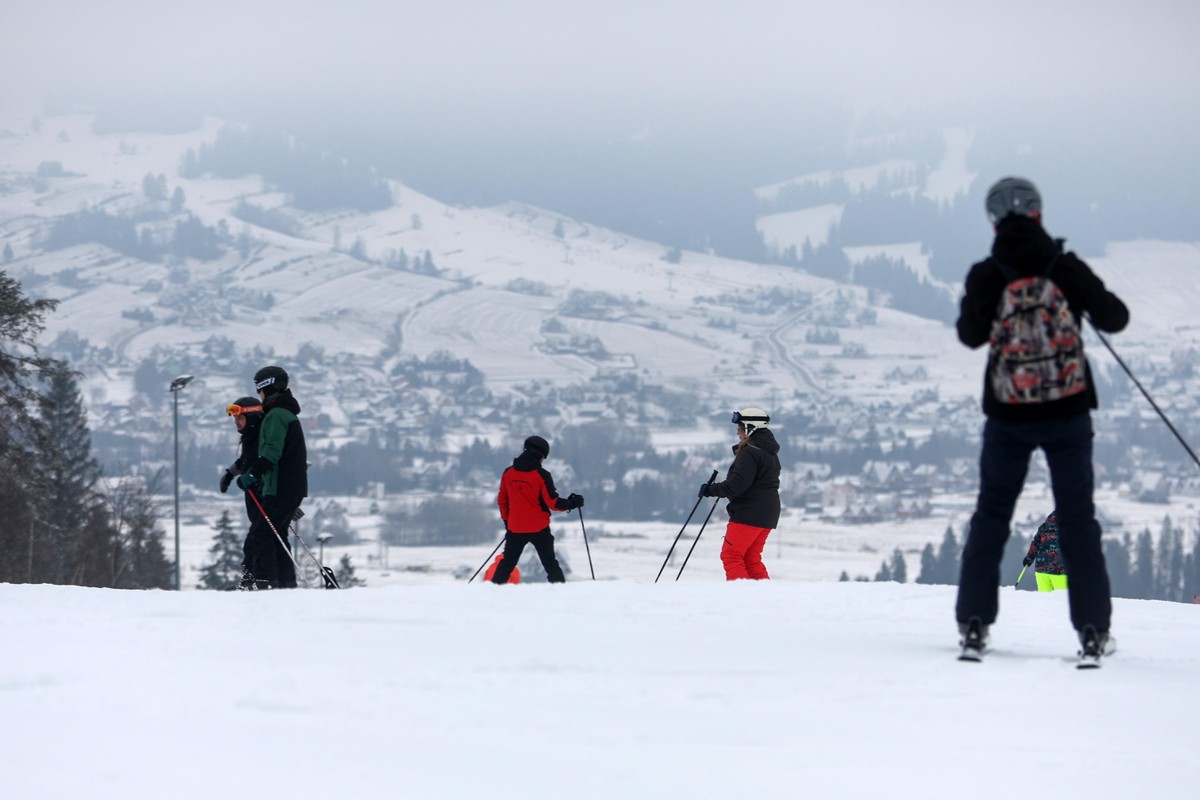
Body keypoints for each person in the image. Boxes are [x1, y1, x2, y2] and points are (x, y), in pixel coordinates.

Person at [955, 176, 1129, 663]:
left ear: (993, 220)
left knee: (991, 515)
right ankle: (1093, 631)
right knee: (1077, 521)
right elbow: (1115, 318)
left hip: (1007, 414)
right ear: (1038, 213)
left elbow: (970, 335)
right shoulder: (1064, 266)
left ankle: (974, 626)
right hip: (1068, 412)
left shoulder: (987, 273)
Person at [235, 366, 308, 589]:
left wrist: (252, 475)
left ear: (267, 387)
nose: (259, 394)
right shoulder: (282, 413)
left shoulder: (276, 416)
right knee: (277, 536)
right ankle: (286, 585)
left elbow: (271, 454)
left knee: (261, 534)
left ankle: (265, 583)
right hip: (287, 487)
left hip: (281, 487)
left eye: (259, 389)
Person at [699, 407, 781, 580]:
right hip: (768, 513)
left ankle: (741, 597)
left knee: (731, 556)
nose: (738, 433)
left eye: (740, 428)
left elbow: (737, 486)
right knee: (751, 559)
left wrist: (711, 490)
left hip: (749, 513)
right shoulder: (769, 453)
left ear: (751, 428)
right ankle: (766, 597)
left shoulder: (750, 453)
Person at [490, 435, 582, 584]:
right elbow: (553, 503)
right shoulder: (542, 476)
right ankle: (560, 592)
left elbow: (502, 500)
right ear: (540, 455)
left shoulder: (508, 473)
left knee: (507, 565)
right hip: (539, 528)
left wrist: (508, 522)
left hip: (515, 528)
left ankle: (492, 590)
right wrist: (572, 503)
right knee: (550, 565)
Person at [219, 396, 265, 589]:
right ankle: (252, 580)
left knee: (256, 540)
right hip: (253, 498)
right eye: (235, 419)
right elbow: (244, 461)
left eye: (240, 418)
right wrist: (230, 474)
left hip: (263, 496)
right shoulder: (250, 438)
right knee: (257, 538)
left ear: (252, 418)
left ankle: (255, 581)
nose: (236, 422)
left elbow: (262, 463)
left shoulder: (260, 439)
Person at [1023, 512, 1068, 592]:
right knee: (1062, 601)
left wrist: (1029, 559)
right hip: (1060, 571)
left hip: (1041, 570)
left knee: (1044, 601)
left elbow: (1035, 544)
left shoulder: (1044, 527)